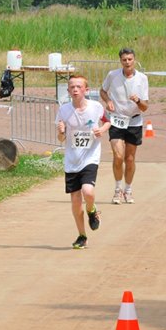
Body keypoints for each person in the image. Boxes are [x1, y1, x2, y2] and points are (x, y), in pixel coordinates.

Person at [56, 75, 110, 249]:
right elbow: (61, 138)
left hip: (90, 156)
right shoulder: (64, 110)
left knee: (88, 191)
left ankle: (92, 211)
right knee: (75, 200)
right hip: (72, 160)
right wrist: (62, 132)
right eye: (72, 87)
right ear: (68, 91)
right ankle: (82, 236)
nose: (75, 89)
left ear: (86, 90)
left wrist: (101, 130)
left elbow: (108, 121)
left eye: (79, 86)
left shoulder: (95, 107)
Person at [99, 48, 149, 205]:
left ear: (134, 60)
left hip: (134, 121)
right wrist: (108, 101)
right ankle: (117, 189)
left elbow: (144, 107)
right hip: (116, 120)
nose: (127, 62)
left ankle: (128, 189)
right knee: (118, 156)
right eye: (124, 60)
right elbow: (102, 91)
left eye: (130, 59)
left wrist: (137, 100)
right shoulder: (113, 75)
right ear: (120, 61)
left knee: (130, 159)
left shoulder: (142, 78)